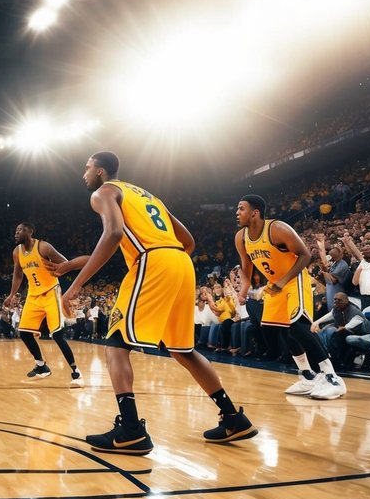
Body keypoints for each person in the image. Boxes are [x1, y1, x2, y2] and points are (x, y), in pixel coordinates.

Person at [56, 152, 256, 455]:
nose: (83, 175)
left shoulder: (104, 192)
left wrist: (74, 286)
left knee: (115, 343)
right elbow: (188, 241)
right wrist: (169, 259)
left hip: (152, 260)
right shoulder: (147, 195)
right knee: (182, 350)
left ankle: (131, 429)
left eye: (86, 169)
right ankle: (232, 418)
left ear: (99, 171)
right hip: (180, 262)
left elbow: (112, 234)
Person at [234, 195, 345, 400]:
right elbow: (246, 266)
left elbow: (304, 255)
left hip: (294, 280)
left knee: (298, 326)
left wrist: (283, 282)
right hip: (274, 284)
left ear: (255, 213)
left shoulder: (277, 229)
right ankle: (307, 376)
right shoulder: (241, 237)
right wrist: (244, 290)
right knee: (276, 329)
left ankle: (332, 377)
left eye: (241, 209)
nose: (237, 213)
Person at [3, 222, 86, 384]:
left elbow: (66, 263)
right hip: (33, 296)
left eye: (20, 230)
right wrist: (12, 294)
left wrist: (59, 268)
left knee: (56, 334)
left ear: (30, 232)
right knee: (24, 333)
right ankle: (41, 365)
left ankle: (76, 372)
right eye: (16, 230)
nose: (17, 232)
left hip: (51, 293)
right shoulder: (17, 252)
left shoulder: (44, 247)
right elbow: (18, 274)